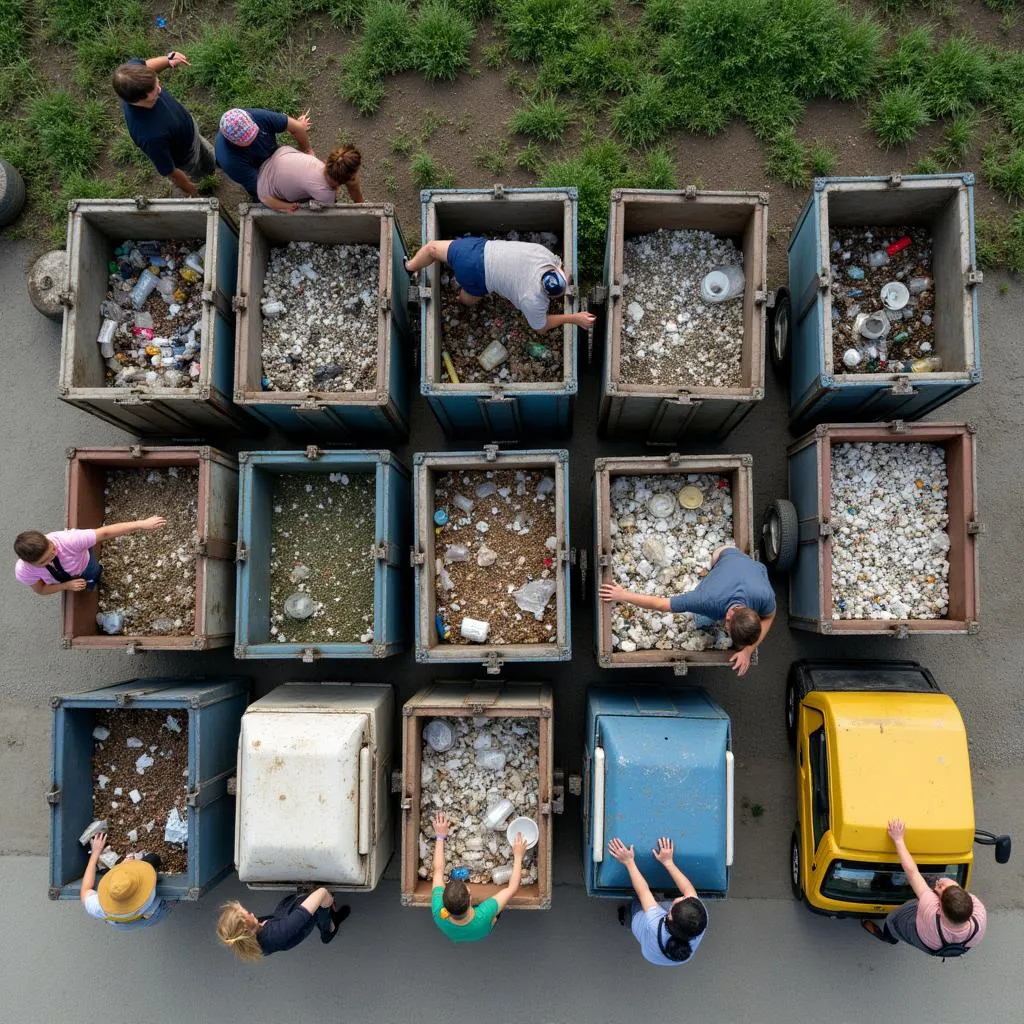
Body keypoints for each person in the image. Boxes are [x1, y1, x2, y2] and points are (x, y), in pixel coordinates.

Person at [599, 544, 775, 676]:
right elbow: (661, 605)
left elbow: (769, 616)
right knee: (700, 620)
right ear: (727, 620)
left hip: (743, 562)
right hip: (724, 552)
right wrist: (622, 595)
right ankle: (718, 568)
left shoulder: (764, 595)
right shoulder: (705, 600)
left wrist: (747, 650)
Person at [402, 237, 597, 335]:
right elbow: (541, 326)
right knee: (466, 299)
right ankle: (459, 300)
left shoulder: (543, 254)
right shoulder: (533, 299)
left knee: (432, 248)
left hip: (476, 249)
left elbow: (561, 268)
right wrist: (574, 318)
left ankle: (410, 267)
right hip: (477, 276)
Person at [861, 818, 987, 957]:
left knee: (894, 923)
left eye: (940, 891)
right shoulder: (979, 919)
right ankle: (891, 938)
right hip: (929, 943)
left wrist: (898, 839)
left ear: (940, 911)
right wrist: (945, 890)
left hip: (912, 929)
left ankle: (888, 936)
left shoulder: (930, 910)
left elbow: (912, 873)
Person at [113, 53, 215, 198]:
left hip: (186, 131)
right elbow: (170, 171)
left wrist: (168, 61)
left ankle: (208, 162)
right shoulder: (150, 136)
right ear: (139, 99)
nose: (160, 89)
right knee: (202, 167)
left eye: (157, 82)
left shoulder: (129, 75)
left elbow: (147, 65)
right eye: (155, 90)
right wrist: (190, 188)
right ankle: (205, 174)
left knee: (205, 151)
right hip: (186, 153)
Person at [608, 836, 709, 967]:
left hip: (649, 934)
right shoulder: (699, 918)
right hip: (657, 955)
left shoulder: (654, 923)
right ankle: (627, 919)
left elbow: (643, 892)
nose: (679, 898)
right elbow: (690, 892)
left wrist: (628, 861)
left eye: (678, 902)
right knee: (653, 904)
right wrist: (668, 862)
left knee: (637, 910)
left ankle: (627, 918)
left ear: (669, 915)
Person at [430, 810, 527, 943]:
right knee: (493, 918)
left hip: (456, 934)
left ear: (444, 903)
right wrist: (518, 855)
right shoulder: (483, 914)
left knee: (491, 917)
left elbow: (437, 870)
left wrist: (440, 837)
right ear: (470, 898)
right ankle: (493, 920)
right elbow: (512, 889)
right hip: (482, 928)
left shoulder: (438, 909)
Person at [13, 516, 167, 597]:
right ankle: (91, 586)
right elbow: (41, 589)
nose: (52, 557)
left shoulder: (70, 540)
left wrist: (141, 524)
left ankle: (97, 577)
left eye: (52, 550)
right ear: (29, 563)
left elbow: (104, 532)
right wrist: (66, 586)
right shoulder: (23, 571)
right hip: (64, 580)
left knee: (94, 573)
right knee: (86, 588)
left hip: (86, 564)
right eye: (44, 561)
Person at [216, 889, 351, 961]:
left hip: (285, 914)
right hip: (301, 922)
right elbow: (320, 894)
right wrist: (327, 896)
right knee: (322, 906)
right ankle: (328, 930)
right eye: (247, 914)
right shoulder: (278, 934)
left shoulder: (252, 935)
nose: (251, 913)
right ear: (246, 929)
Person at [215, 107, 314, 200]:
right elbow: (262, 189)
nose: (254, 141)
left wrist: (307, 150)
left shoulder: (259, 116)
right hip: (256, 172)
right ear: (232, 142)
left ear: (251, 120)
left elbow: (297, 127)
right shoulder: (230, 161)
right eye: (246, 142)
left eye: (255, 134)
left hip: (273, 153)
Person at [80, 832, 170, 929]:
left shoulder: (99, 907)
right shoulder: (149, 898)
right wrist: (131, 865)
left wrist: (95, 853)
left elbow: (85, 890)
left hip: (123, 924)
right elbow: (149, 876)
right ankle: (169, 905)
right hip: (153, 913)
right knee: (153, 859)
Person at [256, 143, 364, 213]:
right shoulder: (325, 194)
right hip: (265, 192)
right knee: (293, 208)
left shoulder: (314, 162)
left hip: (275, 158)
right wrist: (354, 186)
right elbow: (329, 204)